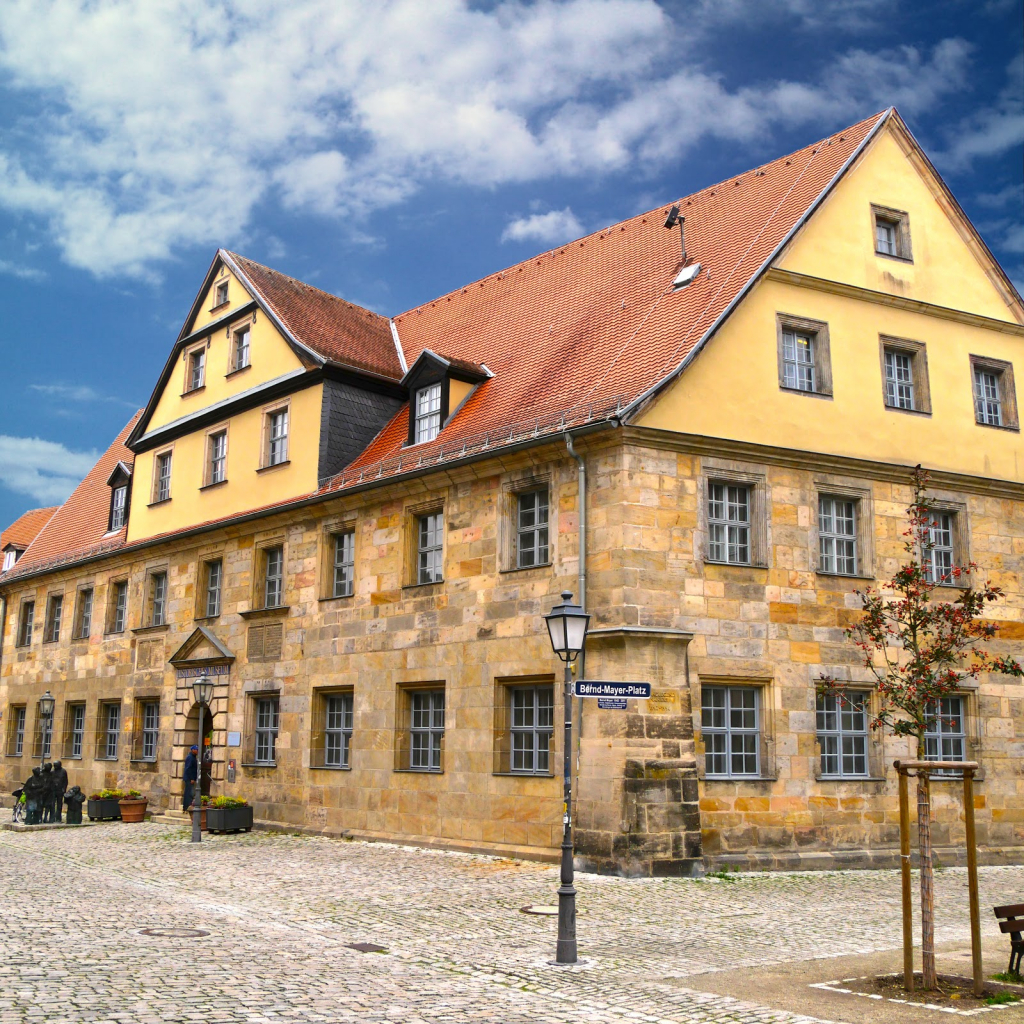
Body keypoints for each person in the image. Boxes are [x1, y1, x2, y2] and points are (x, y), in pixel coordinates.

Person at [183, 745, 198, 812]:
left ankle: (187, 807)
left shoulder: (193, 757)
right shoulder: (190, 757)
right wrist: (191, 778)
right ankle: (187, 807)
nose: (197, 751)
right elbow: (188, 769)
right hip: (189, 779)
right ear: (193, 750)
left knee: (190, 793)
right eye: (196, 749)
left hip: (191, 778)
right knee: (189, 793)